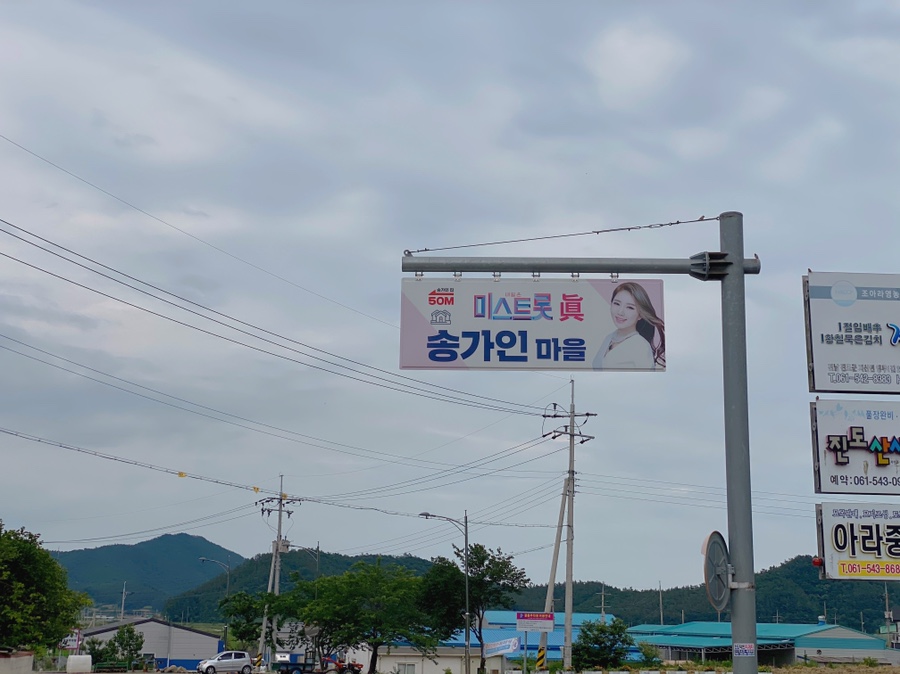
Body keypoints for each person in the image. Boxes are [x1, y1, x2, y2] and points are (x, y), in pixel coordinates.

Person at [592, 281, 666, 370]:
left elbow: (647, 378)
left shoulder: (641, 346)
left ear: (640, 314)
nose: (620, 312)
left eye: (630, 307)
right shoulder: (609, 338)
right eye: (617, 303)